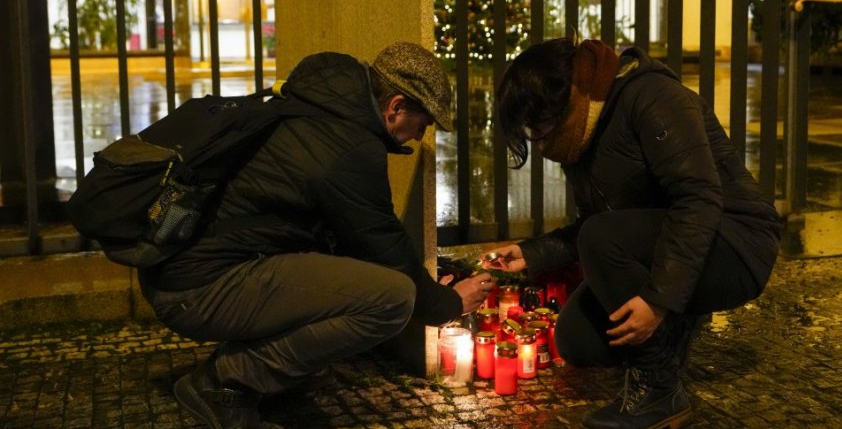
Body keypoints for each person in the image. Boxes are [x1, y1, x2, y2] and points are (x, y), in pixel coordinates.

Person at [137, 42, 496, 429]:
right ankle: (227, 381)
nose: (417, 136)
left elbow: (355, 241)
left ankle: (280, 371)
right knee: (394, 298)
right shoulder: (349, 147)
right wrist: (450, 303)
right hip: (196, 289)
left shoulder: (318, 108)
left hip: (179, 270)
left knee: (355, 273)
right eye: (421, 124)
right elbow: (385, 249)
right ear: (395, 107)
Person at [482, 38, 782, 429]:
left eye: (535, 126)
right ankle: (677, 325)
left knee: (602, 239)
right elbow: (596, 223)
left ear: (558, 100)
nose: (536, 138)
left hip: (735, 243)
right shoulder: (578, 130)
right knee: (577, 340)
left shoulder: (652, 96)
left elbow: (697, 200)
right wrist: (532, 252)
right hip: (675, 246)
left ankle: (659, 392)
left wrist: (658, 300)